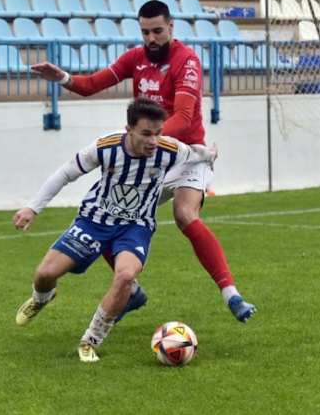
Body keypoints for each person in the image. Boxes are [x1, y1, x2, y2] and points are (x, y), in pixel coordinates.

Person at [30, 0, 256, 323]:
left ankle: (231, 295)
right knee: (110, 208)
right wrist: (63, 77)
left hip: (186, 153)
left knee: (184, 213)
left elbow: (183, 116)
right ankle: (131, 291)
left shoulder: (187, 62)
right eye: (145, 32)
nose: (151, 38)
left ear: (171, 27)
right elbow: (93, 84)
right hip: (152, 153)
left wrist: (148, 141)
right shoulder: (135, 58)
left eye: (157, 31)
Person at [14, 97, 218, 362]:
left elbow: (196, 153)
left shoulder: (169, 150)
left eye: (157, 133)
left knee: (125, 276)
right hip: (94, 221)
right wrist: (33, 207)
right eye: (146, 134)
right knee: (44, 274)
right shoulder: (106, 147)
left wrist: (211, 154)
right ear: (129, 129)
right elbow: (65, 173)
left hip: (136, 226)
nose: (153, 141)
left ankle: (90, 342)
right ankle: (41, 298)